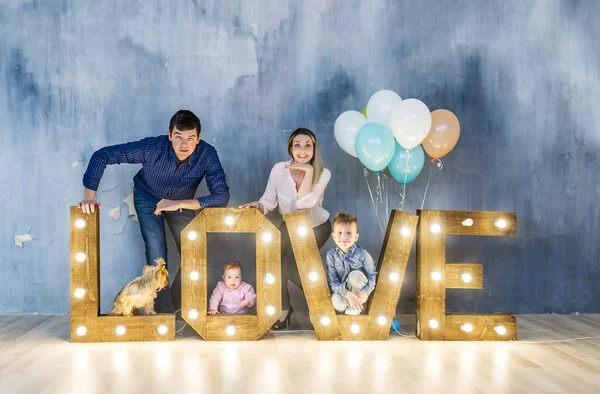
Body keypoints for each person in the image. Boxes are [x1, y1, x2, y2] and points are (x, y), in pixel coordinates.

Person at [77, 110, 230, 313]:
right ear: (169, 135)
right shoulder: (152, 148)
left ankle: (176, 307)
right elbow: (102, 156)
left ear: (198, 139)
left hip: (181, 203)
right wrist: (89, 197)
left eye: (190, 139)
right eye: (178, 138)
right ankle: (161, 314)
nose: (184, 145)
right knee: (156, 254)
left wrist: (178, 204)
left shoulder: (207, 154)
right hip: (147, 198)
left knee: (196, 253)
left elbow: (222, 197)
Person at [240, 128, 331, 329]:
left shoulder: (323, 173)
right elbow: (268, 201)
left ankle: (324, 302)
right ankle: (283, 308)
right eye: (297, 145)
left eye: (308, 145)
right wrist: (259, 205)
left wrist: (307, 172)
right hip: (289, 225)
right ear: (290, 149)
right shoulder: (279, 169)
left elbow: (304, 203)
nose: (302, 150)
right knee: (271, 258)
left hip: (316, 227)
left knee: (289, 264)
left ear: (314, 150)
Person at [326, 212, 377, 315]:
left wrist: (366, 291)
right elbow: (333, 282)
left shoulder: (362, 254)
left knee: (355, 275)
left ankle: (356, 306)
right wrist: (348, 295)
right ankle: (349, 306)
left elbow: (372, 275)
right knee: (336, 300)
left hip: (359, 292)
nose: (344, 237)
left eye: (349, 233)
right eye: (339, 233)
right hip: (344, 293)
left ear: (356, 237)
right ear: (334, 236)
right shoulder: (331, 256)